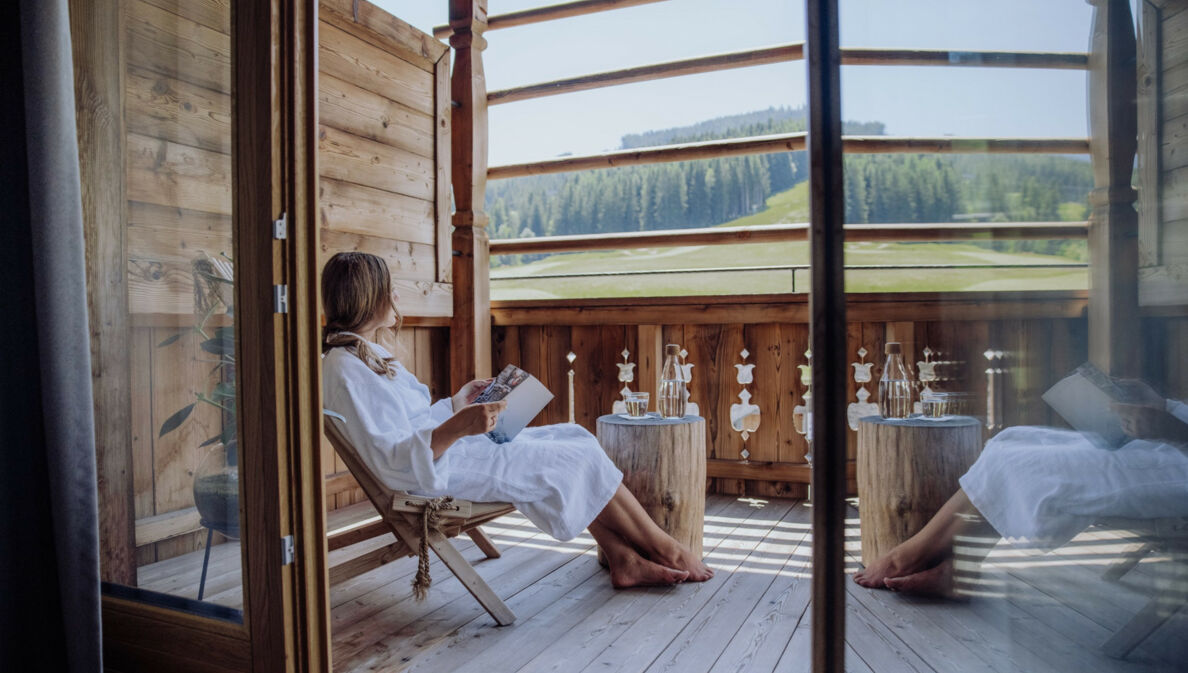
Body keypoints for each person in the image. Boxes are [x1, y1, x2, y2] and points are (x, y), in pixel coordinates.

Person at [321, 252, 713, 588]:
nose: (396, 297)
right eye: (389, 289)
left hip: (447, 453)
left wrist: (459, 403)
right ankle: (668, 550)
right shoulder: (347, 369)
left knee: (572, 438)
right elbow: (395, 458)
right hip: (436, 475)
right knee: (571, 459)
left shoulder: (362, 355)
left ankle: (622, 558)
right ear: (368, 297)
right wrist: (460, 426)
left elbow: (412, 424)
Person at [854, 397, 1188, 596]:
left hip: (1176, 464)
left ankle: (910, 557)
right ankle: (959, 569)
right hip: (1161, 445)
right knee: (1014, 443)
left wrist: (1173, 429)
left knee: (1025, 464)